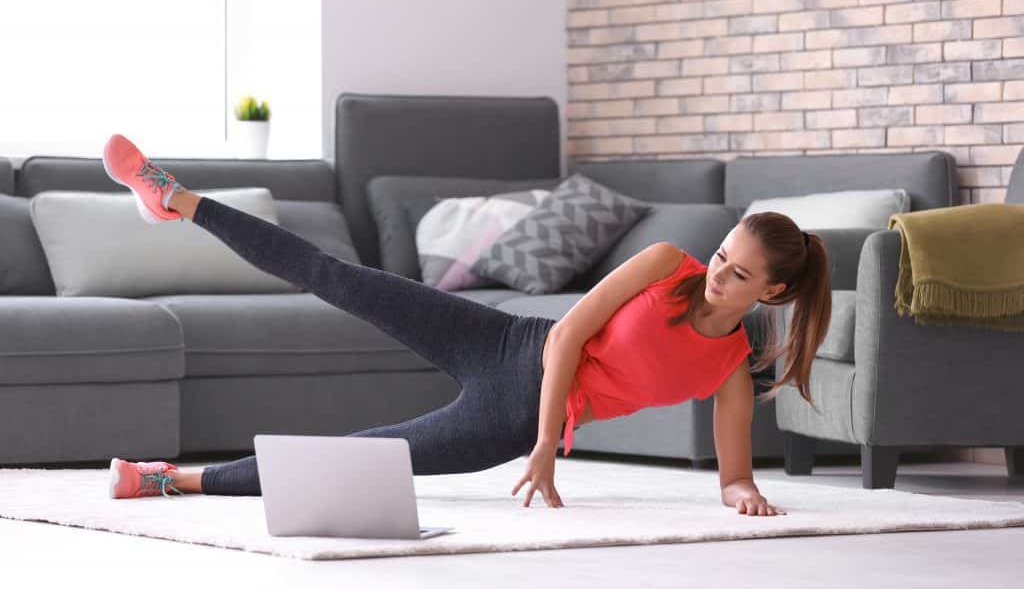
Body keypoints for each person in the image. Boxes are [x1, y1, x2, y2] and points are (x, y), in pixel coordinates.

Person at [103, 134, 830, 516]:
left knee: (356, 459)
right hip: (506, 337)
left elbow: (734, 476)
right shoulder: (670, 261)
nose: (719, 271)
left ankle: (171, 480)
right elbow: (571, 332)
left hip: (505, 415)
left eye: (738, 273)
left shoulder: (728, 368)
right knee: (338, 275)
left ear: (773, 291)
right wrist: (551, 444)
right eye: (725, 254)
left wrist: (745, 494)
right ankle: (177, 198)